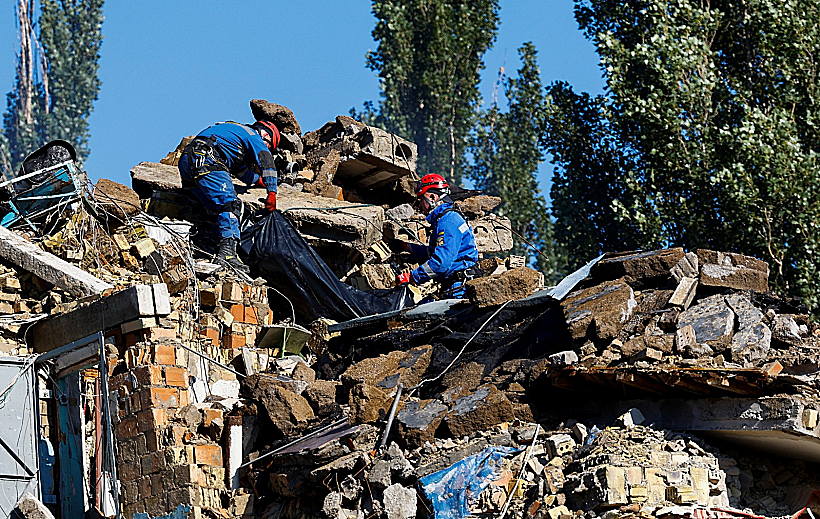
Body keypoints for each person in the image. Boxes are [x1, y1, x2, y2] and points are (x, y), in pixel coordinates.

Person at [178, 120, 280, 273]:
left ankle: (204, 243)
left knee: (213, 208)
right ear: (265, 134)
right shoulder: (253, 136)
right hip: (208, 158)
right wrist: (272, 191)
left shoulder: (234, 137)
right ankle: (227, 255)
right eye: (269, 144)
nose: (267, 147)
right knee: (231, 205)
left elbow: (241, 172)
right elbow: (266, 160)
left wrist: (259, 181)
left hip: (188, 161)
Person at [395, 173, 479, 299]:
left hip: (458, 289)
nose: (419, 206)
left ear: (433, 197)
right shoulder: (448, 218)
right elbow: (433, 253)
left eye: (421, 200)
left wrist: (412, 277)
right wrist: (406, 247)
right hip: (454, 285)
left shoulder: (447, 222)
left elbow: (440, 263)